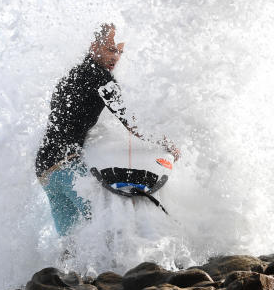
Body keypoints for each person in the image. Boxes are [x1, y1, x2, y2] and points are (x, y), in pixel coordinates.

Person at [35, 23, 180, 235]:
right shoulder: (103, 79)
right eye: (111, 50)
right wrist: (165, 143)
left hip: (44, 170)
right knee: (102, 225)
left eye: (120, 52)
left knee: (70, 239)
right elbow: (133, 124)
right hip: (67, 167)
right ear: (95, 46)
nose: (116, 57)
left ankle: (62, 269)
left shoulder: (70, 76)